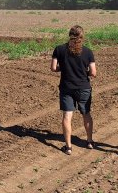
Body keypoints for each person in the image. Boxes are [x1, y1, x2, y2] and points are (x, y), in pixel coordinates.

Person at [51, 25, 97, 155]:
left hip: (66, 87)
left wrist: (64, 69)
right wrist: (84, 72)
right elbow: (93, 72)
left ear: (69, 35)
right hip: (83, 87)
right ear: (82, 36)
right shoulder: (88, 51)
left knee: (67, 115)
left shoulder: (59, 49)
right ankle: (89, 141)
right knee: (86, 114)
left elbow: (53, 68)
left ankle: (69, 147)